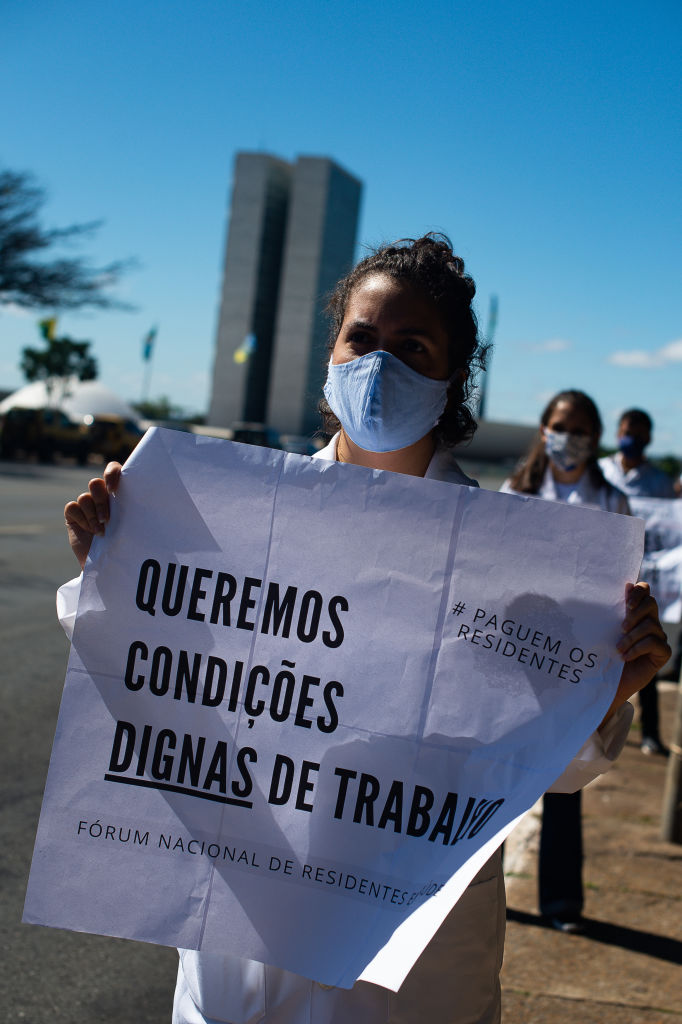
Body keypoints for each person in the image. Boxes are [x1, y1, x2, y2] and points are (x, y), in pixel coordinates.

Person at [63, 237, 671, 1024]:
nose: (381, 366)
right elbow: (149, 686)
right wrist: (114, 568)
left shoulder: (517, 565)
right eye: (363, 339)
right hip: (243, 914)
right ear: (331, 355)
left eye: (412, 347)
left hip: (413, 951)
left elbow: (539, 773)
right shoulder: (230, 518)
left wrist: (601, 695)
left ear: (452, 377)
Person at [500, 389, 634, 934]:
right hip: (515, 655)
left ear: (594, 437)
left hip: (580, 660)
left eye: (579, 429)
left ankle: (561, 904)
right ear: (543, 429)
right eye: (560, 425)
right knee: (497, 777)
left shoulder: (613, 501)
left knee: (564, 779)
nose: (568, 437)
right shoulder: (517, 490)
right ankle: (477, 892)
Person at [599, 409, 676, 751]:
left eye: (641, 434)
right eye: (629, 431)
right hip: (602, 582)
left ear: (649, 439)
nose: (634, 439)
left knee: (644, 658)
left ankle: (649, 733)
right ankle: (589, 724)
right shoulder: (600, 471)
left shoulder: (659, 482)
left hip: (641, 583)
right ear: (618, 433)